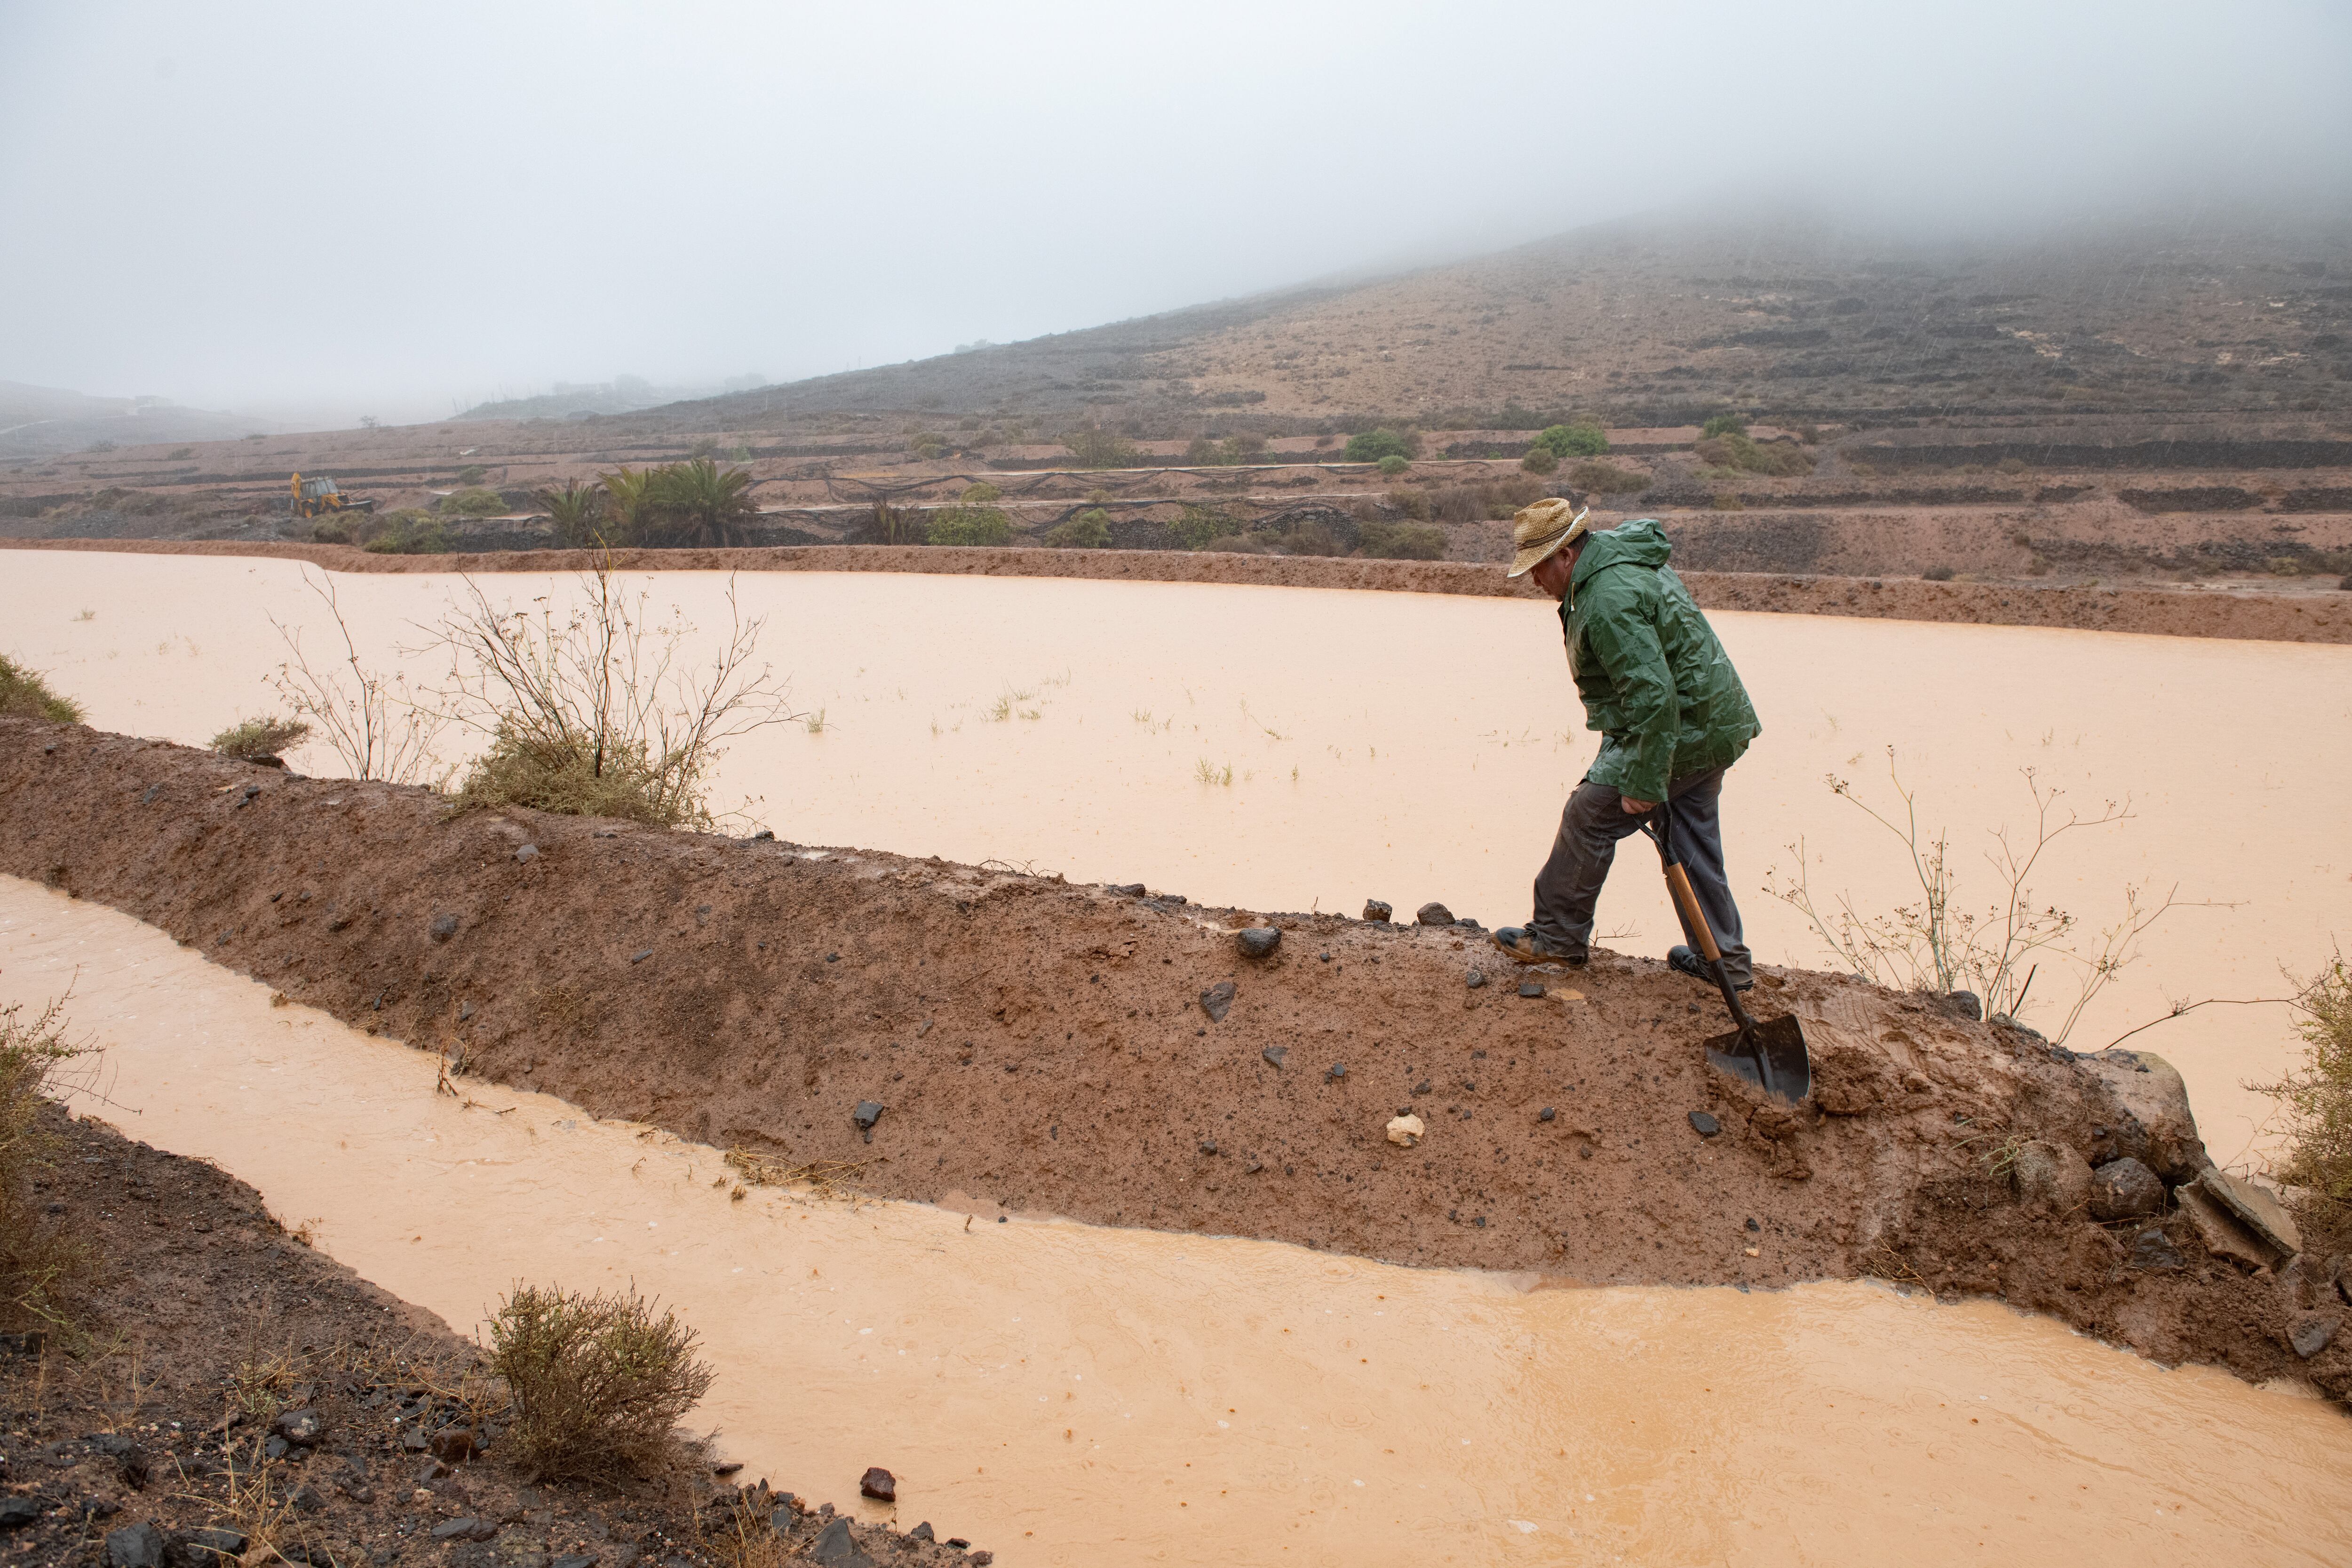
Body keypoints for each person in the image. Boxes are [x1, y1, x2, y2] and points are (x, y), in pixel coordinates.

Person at [1490, 497, 1763, 988]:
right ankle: (1723, 962)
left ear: (1567, 556)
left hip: (1685, 728)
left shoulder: (1606, 598)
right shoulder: (1619, 559)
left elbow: (1652, 696)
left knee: (1589, 815)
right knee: (1690, 835)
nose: (1534, 581)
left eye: (1538, 568)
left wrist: (1642, 777)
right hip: (1713, 721)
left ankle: (1557, 938)